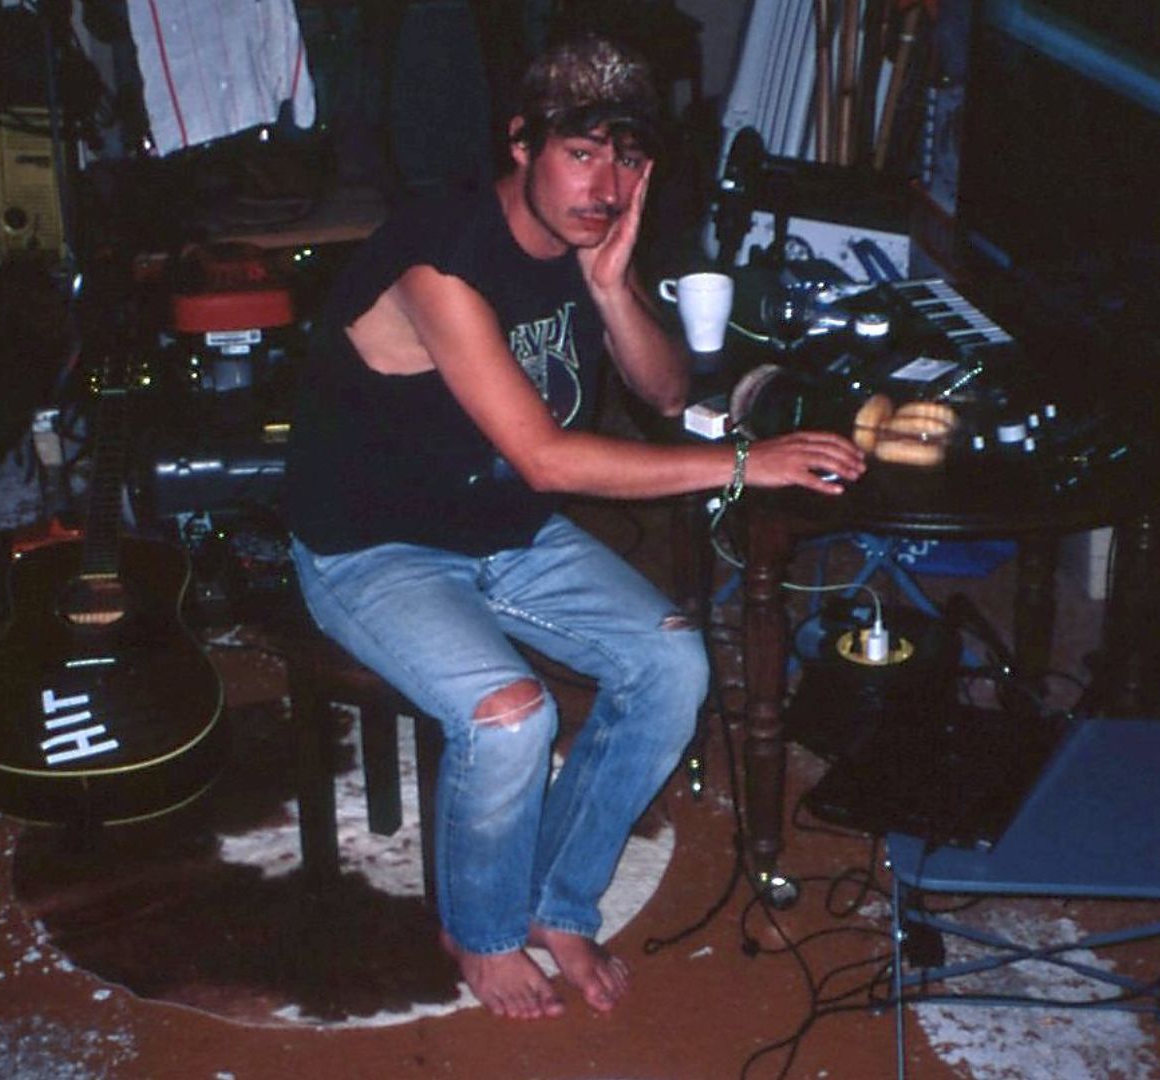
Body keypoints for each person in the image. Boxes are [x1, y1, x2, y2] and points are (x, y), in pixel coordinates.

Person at [283, 32, 864, 1020]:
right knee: (513, 717)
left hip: (503, 528)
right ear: (522, 142)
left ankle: (559, 903)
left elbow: (666, 391)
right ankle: (480, 933)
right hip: (373, 547)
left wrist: (609, 285)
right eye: (582, 153)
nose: (606, 186)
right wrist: (745, 461)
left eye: (628, 160)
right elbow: (548, 459)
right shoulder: (440, 258)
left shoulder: (585, 242)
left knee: (672, 666)